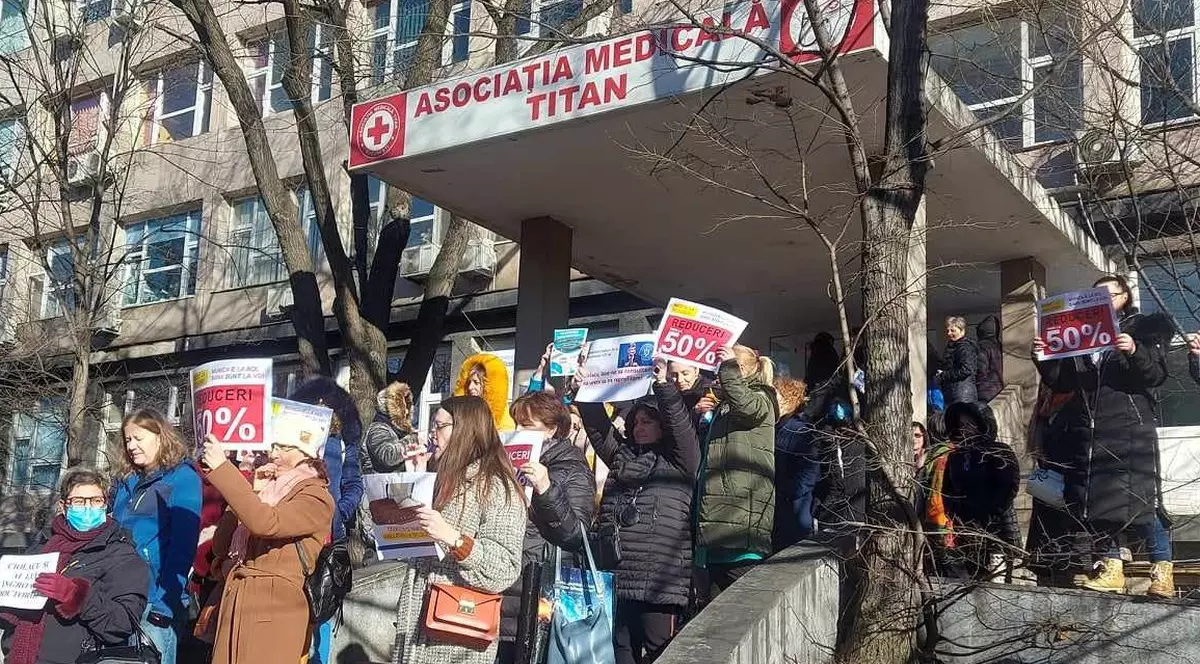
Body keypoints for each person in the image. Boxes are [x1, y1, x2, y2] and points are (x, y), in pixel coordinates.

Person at [1033, 274, 1173, 596]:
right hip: (1091, 431)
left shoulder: (1142, 328)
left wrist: (1133, 350)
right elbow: (1063, 382)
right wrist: (1043, 356)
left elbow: (1156, 375)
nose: (1102, 299)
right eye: (1095, 294)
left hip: (1130, 428)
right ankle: (1111, 568)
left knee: (1141, 502)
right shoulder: (1082, 334)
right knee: (1096, 503)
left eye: (1109, 294)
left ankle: (1162, 570)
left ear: (1124, 297)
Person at [577, 359, 700, 664]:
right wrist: (584, 389)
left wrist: (663, 386)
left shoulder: (681, 462)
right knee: (621, 652)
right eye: (636, 422)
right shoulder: (622, 457)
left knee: (662, 652)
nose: (639, 428)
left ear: (662, 425)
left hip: (661, 581)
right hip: (619, 575)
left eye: (648, 422)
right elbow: (599, 429)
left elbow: (681, 427)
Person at [390, 396, 527, 664]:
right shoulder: (438, 477)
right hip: (414, 625)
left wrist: (454, 539)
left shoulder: (498, 488)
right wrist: (412, 480)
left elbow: (505, 568)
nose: (433, 433)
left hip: (458, 635)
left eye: (440, 426)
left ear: (465, 430)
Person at [198, 416, 335, 664]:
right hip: (237, 603)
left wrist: (225, 470)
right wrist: (252, 490)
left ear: (305, 453)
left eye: (284, 447)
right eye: (273, 446)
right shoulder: (267, 492)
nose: (274, 453)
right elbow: (220, 546)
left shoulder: (316, 496)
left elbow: (266, 523)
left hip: (274, 609)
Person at [0, 468, 149, 664]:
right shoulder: (41, 547)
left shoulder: (121, 555)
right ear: (63, 506)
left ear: (105, 504)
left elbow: (122, 624)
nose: (88, 508)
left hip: (80, 659)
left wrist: (76, 596)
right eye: (79, 501)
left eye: (96, 500)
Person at [497, 392, 596, 664]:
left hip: (539, 587)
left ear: (552, 429)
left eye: (527, 425)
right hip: (506, 582)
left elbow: (576, 534)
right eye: (516, 424)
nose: (518, 431)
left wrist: (546, 489)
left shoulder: (573, 468)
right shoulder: (506, 461)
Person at [110, 408, 202, 664]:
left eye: (138, 438)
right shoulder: (125, 480)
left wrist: (164, 603)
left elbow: (183, 547)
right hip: (119, 595)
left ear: (160, 437)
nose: (131, 446)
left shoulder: (182, 478)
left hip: (154, 600)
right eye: (128, 440)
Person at [289, 377, 365, 664]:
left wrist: (337, 513)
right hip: (293, 538)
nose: (319, 410)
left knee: (319, 613)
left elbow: (353, 485)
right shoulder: (292, 441)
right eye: (314, 406)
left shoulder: (343, 443)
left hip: (327, 545)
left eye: (325, 406)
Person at [695, 345, 777, 594]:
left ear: (739, 369)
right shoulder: (724, 409)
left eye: (723, 369)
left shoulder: (762, 398)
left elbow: (745, 405)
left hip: (740, 532)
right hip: (718, 530)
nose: (717, 377)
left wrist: (728, 367)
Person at [922, 402, 1020, 580]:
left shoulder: (999, 451)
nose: (965, 429)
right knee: (972, 579)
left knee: (996, 581)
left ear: (982, 424)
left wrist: (987, 510)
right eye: (961, 425)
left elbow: (1008, 488)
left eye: (970, 424)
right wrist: (957, 512)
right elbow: (947, 490)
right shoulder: (956, 457)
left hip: (997, 528)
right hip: (966, 530)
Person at [772, 377, 817, 551]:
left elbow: (809, 472)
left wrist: (785, 493)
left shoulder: (799, 429)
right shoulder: (778, 427)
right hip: (782, 508)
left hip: (794, 511)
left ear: (788, 400)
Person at [364, 381, 420, 473]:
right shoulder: (378, 428)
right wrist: (412, 439)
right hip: (380, 481)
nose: (406, 411)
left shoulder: (401, 431)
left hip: (399, 481)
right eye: (403, 406)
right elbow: (388, 456)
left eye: (408, 406)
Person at [455, 352, 517, 431]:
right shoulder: (463, 412)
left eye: (476, 382)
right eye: (468, 383)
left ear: (490, 386)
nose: (470, 387)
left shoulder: (503, 419)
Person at [938, 316, 978, 406]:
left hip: (963, 395)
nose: (949, 333)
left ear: (962, 331)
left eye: (953, 330)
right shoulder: (955, 346)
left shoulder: (965, 347)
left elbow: (967, 370)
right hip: (956, 392)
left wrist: (944, 375)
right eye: (948, 330)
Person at [975, 315, 1004, 402]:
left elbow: (980, 370)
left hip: (984, 391)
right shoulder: (999, 345)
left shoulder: (982, 346)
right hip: (998, 389)